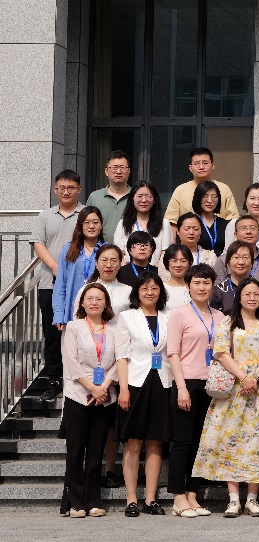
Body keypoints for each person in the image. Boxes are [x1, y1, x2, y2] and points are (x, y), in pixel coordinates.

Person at [192, 278, 259, 518]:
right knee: (230, 441)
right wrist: (243, 377)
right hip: (233, 388)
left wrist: (256, 379)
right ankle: (233, 500)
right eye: (247, 294)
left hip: (258, 389)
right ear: (239, 297)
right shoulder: (227, 322)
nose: (252, 298)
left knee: (257, 443)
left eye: (256, 294)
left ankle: (252, 500)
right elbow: (221, 353)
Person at [113, 273, 171, 517]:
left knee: (155, 441)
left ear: (161, 292)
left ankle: (150, 499)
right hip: (135, 383)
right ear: (137, 292)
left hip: (163, 382)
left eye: (154, 288)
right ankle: (131, 499)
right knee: (134, 441)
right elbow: (121, 356)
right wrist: (123, 389)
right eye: (145, 288)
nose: (150, 292)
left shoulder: (170, 316)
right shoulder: (127, 317)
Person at [166, 263, 221, 517]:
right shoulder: (179, 314)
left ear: (212, 286)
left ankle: (192, 495)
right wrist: (181, 388)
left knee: (202, 443)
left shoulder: (220, 317)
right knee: (183, 442)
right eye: (196, 282)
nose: (201, 287)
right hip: (186, 382)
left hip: (211, 385)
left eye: (206, 282)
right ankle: (178, 497)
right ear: (188, 286)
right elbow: (173, 353)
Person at [61, 283, 119, 518]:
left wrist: (103, 388)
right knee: (75, 451)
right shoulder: (73, 327)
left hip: (104, 397)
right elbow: (71, 361)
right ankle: (75, 502)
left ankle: (94, 500)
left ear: (106, 304)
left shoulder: (114, 329)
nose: (94, 302)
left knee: (96, 452)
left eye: (99, 299)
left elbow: (119, 362)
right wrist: (92, 388)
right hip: (78, 394)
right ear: (82, 303)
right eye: (90, 298)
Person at [34, 170, 85, 400]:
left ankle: (78, 378)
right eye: (62, 188)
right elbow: (38, 243)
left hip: (79, 285)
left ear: (79, 190)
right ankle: (54, 380)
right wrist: (56, 267)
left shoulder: (85, 214)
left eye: (71, 187)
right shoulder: (45, 216)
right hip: (50, 283)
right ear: (55, 190)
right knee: (53, 333)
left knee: (81, 332)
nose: (66, 191)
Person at [53, 207, 105, 330]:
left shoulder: (107, 249)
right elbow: (60, 283)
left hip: (98, 310)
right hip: (72, 310)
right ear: (80, 226)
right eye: (86, 222)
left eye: (95, 222)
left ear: (101, 225)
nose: (91, 226)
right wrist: (59, 314)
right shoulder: (68, 249)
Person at [164, 148, 239, 225]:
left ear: (212, 166)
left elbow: (233, 219)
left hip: (218, 232)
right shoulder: (180, 190)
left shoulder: (224, 189)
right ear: (190, 168)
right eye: (196, 164)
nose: (201, 167)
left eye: (205, 163)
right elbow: (171, 221)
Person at [74, 243, 131, 318]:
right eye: (104, 260)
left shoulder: (128, 291)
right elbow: (77, 319)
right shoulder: (85, 290)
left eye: (113, 261)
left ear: (120, 264)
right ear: (96, 263)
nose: (108, 265)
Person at [114, 181, 172, 253]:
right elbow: (119, 253)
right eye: (139, 196)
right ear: (132, 199)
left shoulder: (164, 224)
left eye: (148, 196)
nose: (144, 200)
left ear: (154, 199)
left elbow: (165, 253)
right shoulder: (123, 224)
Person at [212, 241, 259, 313]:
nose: (241, 262)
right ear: (228, 262)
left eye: (245, 257)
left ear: (252, 262)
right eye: (236, 257)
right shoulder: (218, 291)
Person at [87, 151, 132, 236]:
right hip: (101, 244)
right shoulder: (95, 197)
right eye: (114, 168)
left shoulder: (136, 196)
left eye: (122, 167)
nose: (118, 171)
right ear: (106, 171)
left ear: (128, 171)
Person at [213, 216, 259, 282]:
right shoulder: (223, 260)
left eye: (252, 228)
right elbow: (218, 286)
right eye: (243, 228)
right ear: (235, 234)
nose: (248, 231)